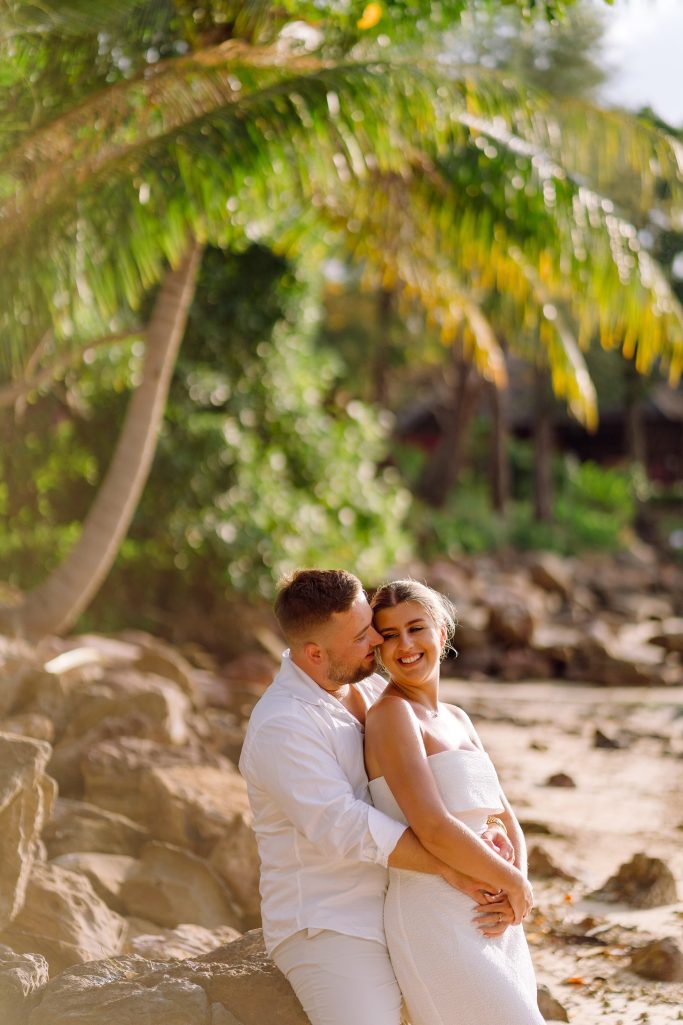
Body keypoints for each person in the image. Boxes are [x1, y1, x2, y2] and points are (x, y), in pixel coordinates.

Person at [238, 568, 518, 1025]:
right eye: (361, 635)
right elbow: (343, 826)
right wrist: (455, 868)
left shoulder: (367, 687)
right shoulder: (282, 724)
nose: (377, 640)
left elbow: (432, 776)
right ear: (314, 653)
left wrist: (485, 833)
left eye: (370, 625)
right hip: (332, 925)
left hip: (406, 905)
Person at [366, 578, 544, 1025]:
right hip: (435, 917)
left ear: (441, 632)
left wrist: (516, 886)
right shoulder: (391, 715)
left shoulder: (458, 718)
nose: (406, 645)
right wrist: (513, 883)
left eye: (416, 628)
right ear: (378, 648)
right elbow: (432, 825)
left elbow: (504, 814)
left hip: (495, 913)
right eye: (390, 635)